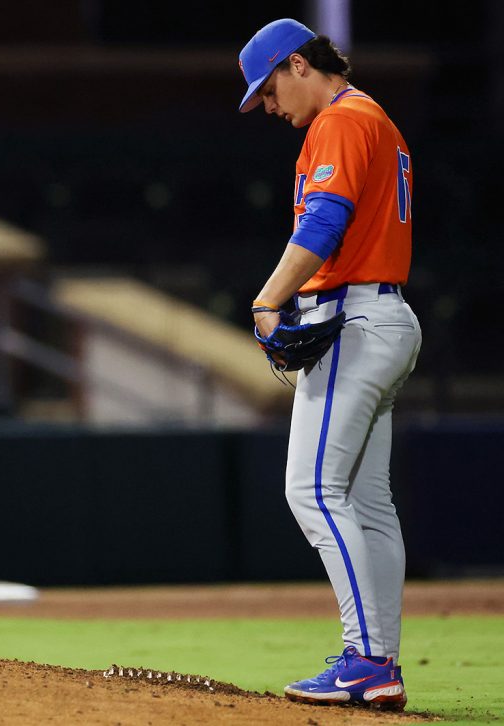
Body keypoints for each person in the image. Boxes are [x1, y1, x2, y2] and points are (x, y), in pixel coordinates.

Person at [237, 18, 421, 711]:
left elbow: (321, 226)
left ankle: (366, 658)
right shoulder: (378, 118)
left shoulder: (341, 122)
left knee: (311, 491)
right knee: (369, 504)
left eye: (270, 89)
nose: (269, 107)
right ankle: (381, 662)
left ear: (298, 64)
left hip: (356, 318)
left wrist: (267, 299)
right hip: (389, 315)